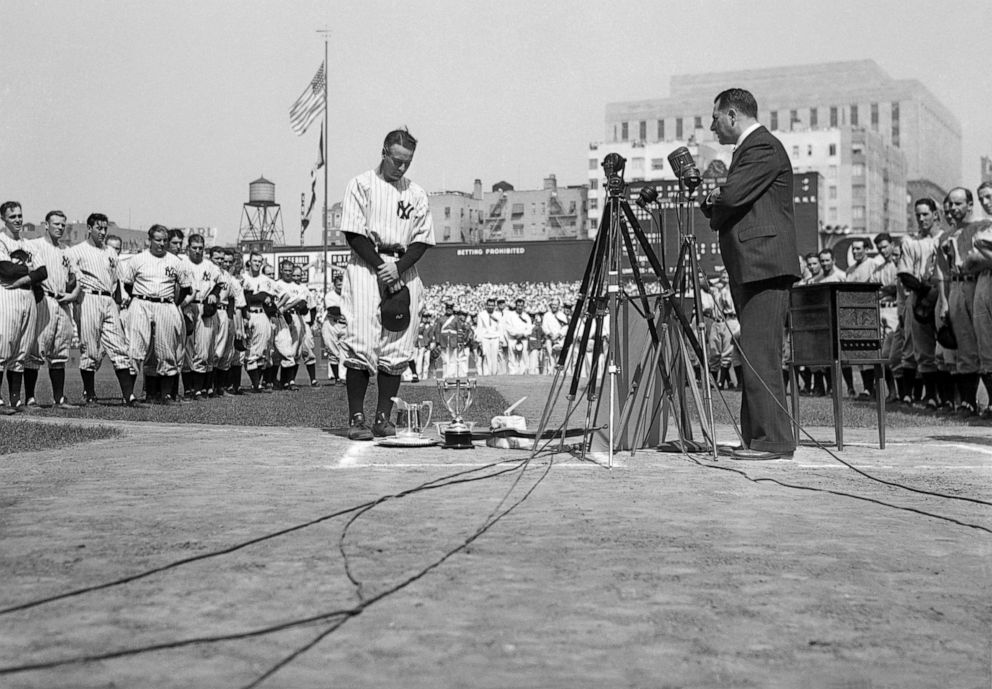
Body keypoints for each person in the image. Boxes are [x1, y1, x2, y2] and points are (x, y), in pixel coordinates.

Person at [701, 88, 800, 460]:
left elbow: (729, 198)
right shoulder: (753, 148)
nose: (712, 126)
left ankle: (773, 440)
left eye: (715, 118)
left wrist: (710, 197)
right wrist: (717, 198)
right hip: (755, 265)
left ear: (731, 115)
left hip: (764, 266)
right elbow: (730, 199)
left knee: (760, 354)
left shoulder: (760, 147)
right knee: (754, 353)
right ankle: (756, 437)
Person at [339, 128, 435, 440]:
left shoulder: (416, 193)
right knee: (362, 341)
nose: (402, 167)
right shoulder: (361, 184)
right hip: (368, 267)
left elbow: (422, 240)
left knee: (397, 346)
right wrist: (383, 268)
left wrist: (398, 268)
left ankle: (383, 417)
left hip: (402, 266)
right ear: (384, 152)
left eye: (407, 162)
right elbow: (353, 233)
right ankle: (356, 417)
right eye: (397, 160)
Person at [66, 213, 138, 406]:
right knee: (89, 348)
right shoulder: (76, 251)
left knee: (119, 346)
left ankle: (129, 396)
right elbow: (71, 278)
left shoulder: (110, 252)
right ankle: (89, 393)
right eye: (99, 228)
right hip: (88, 297)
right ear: (89, 228)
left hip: (108, 298)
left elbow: (116, 281)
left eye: (105, 228)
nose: (103, 232)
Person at [119, 225, 191, 404]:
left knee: (166, 350)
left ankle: (166, 395)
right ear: (149, 240)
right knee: (135, 349)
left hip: (165, 304)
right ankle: (129, 395)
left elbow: (185, 288)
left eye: (164, 240)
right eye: (158, 239)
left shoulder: (175, 261)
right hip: (141, 302)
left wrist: (173, 303)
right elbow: (128, 284)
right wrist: (139, 296)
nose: (162, 243)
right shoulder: (137, 259)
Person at [24, 210, 81, 409]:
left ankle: (59, 399)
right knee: (36, 350)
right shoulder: (35, 245)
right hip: (44, 300)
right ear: (46, 225)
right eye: (56, 224)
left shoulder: (67, 250)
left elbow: (77, 279)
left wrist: (73, 295)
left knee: (60, 351)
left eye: (62, 224)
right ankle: (30, 398)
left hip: (63, 303)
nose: (60, 227)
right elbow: (30, 272)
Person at [0, 201, 47, 414]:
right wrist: (29, 270)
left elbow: (43, 272)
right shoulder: (1, 240)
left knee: (22, 349)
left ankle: (16, 400)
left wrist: (23, 275)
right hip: (7, 294)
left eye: (20, 215)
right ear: (3, 219)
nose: (18, 220)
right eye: (13, 217)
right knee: (4, 346)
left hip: (27, 294)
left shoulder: (29, 244)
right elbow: (5, 268)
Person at [321, 273, 346, 384]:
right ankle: (337, 378)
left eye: (343, 284)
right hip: (331, 324)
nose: (341, 286)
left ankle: (346, 378)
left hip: (345, 324)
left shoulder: (349, 295)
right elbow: (333, 310)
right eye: (338, 284)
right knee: (333, 352)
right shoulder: (330, 295)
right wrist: (349, 310)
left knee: (347, 353)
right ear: (334, 285)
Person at [475, 297, 502, 376]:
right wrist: (479, 340)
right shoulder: (481, 314)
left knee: (494, 357)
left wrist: (501, 340)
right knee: (486, 356)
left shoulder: (498, 314)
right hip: (485, 337)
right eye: (489, 305)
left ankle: (494, 373)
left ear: (494, 306)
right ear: (486, 305)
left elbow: (501, 328)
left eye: (492, 305)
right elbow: (479, 327)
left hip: (495, 337)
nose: (490, 307)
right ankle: (487, 374)